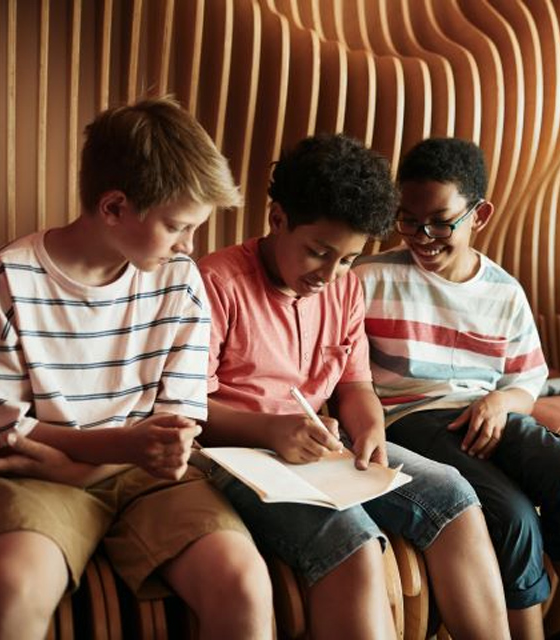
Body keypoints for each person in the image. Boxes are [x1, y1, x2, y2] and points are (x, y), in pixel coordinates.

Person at [0, 97, 272, 640]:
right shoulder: (11, 277)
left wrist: (76, 464)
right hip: (40, 483)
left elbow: (174, 436)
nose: (191, 246)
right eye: (177, 227)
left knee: (244, 583)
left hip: (129, 477)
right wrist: (124, 449)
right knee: (9, 587)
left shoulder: (180, 280)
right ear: (114, 207)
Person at [198, 133, 510, 640]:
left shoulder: (344, 287)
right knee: (354, 542)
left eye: (346, 259)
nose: (331, 274)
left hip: (324, 450)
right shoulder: (218, 283)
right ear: (278, 219)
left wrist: (370, 430)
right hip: (236, 455)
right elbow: (190, 409)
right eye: (318, 253)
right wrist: (273, 431)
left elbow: (355, 384)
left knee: (453, 493)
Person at [353, 138, 560, 640]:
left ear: (480, 214)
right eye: (408, 220)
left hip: (488, 415)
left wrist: (499, 401)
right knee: (513, 516)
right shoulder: (371, 277)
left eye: (440, 221)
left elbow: (526, 382)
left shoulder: (503, 291)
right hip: (409, 422)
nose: (423, 236)